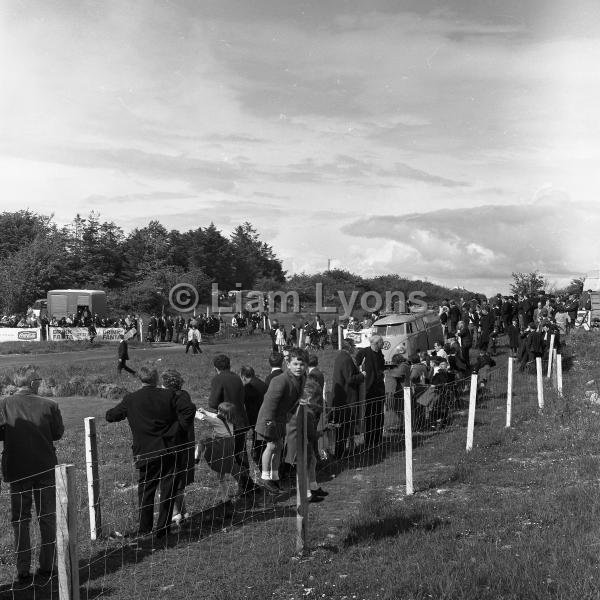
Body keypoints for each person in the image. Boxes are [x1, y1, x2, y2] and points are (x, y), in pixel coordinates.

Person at [105, 365, 196, 538]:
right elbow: (189, 409)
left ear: (140, 379)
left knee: (147, 491)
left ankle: (145, 528)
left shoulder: (131, 399)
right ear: (156, 379)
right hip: (168, 448)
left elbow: (111, 416)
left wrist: (125, 411)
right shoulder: (169, 395)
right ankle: (162, 529)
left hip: (146, 451)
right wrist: (176, 430)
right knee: (168, 489)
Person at [0, 365, 64, 586]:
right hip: (44, 466)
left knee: (20, 520)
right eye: (38, 379)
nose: (40, 382)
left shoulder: (5, 404)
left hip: (18, 468)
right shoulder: (50, 405)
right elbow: (57, 433)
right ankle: (47, 565)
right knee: (46, 517)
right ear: (33, 382)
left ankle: (22, 569)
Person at [255, 347, 308, 493]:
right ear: (288, 364)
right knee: (271, 446)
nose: (299, 367)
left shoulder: (302, 378)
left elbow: (297, 396)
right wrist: (268, 423)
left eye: (302, 364)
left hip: (281, 418)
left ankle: (275, 476)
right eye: (295, 364)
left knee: (278, 446)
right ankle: (265, 477)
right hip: (269, 418)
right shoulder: (279, 381)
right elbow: (269, 403)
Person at [207, 355, 254, 495]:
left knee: (229, 456)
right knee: (240, 453)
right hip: (241, 420)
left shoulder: (218, 379)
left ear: (216, 368)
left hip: (228, 422)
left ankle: (245, 484)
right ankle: (247, 484)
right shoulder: (236, 378)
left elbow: (213, 402)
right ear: (229, 365)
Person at [160, 369, 196, 526]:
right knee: (179, 479)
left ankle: (175, 513)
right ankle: (183, 510)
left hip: (175, 443)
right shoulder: (185, 395)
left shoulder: (170, 399)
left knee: (171, 478)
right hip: (187, 441)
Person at [285, 378, 327, 503]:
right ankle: (306, 493)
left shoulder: (300, 408)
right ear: (308, 398)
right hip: (300, 444)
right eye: (316, 399)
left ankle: (313, 487)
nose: (317, 402)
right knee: (304, 468)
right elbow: (311, 434)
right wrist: (323, 431)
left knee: (311, 461)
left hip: (303, 443)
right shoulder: (306, 412)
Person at [331, 339, 364, 458]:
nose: (354, 348)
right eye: (353, 345)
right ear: (349, 346)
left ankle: (347, 449)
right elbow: (350, 379)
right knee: (344, 427)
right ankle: (340, 453)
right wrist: (362, 375)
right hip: (347, 398)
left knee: (344, 427)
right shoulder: (346, 359)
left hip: (341, 397)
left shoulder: (341, 357)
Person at [355, 335, 386, 450]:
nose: (383, 344)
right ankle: (369, 440)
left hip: (379, 389)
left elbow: (381, 367)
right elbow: (355, 366)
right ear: (376, 343)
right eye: (382, 342)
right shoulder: (363, 352)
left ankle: (378, 438)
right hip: (368, 389)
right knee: (370, 415)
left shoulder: (380, 353)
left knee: (379, 415)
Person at [240, 365, 267, 466]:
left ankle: (259, 460)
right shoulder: (262, 384)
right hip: (264, 416)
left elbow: (245, 405)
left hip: (255, 418)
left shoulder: (248, 387)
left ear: (243, 377)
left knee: (258, 442)